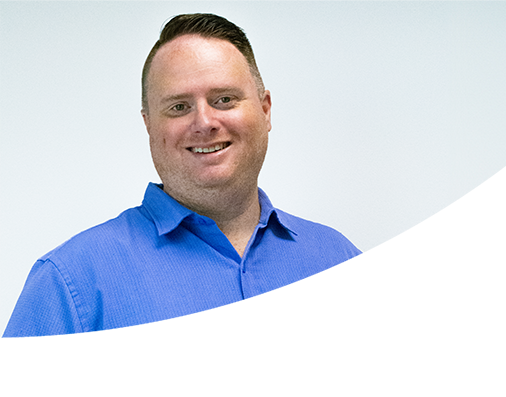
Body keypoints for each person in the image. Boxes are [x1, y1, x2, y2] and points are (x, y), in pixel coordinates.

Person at [3, 13, 427, 337]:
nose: (204, 122)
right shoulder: (70, 282)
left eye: (224, 99)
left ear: (265, 109)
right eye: (178, 106)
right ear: (149, 124)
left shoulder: (339, 261)